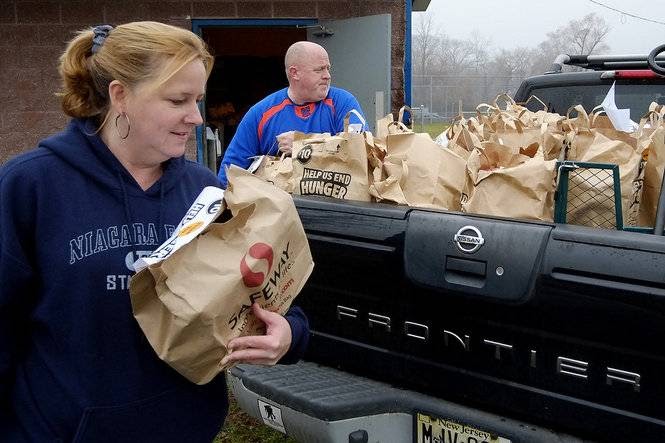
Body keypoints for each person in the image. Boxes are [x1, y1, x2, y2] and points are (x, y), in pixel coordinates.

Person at [0, 21, 309, 443]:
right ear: (120, 95)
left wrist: (289, 335)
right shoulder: (29, 187)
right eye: (178, 100)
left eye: (197, 99)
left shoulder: (208, 193)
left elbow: (269, 294)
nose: (197, 118)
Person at [217, 41, 368, 187]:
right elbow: (230, 174)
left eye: (328, 68)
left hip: (335, 205)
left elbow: (363, 151)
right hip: (279, 208)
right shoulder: (261, 113)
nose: (327, 75)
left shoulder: (342, 102)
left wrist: (302, 144)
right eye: (319, 70)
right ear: (294, 73)